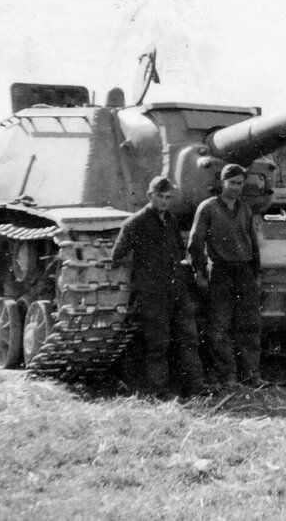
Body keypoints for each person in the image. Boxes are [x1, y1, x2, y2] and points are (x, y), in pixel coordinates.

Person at [111, 176, 206, 397]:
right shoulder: (135, 222)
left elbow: (179, 250)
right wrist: (145, 269)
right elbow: (117, 256)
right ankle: (159, 390)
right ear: (149, 196)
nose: (164, 201)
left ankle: (196, 385)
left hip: (175, 288)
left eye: (168, 197)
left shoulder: (170, 220)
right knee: (158, 344)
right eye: (160, 197)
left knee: (189, 337)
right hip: (153, 291)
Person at [187, 164, 266, 388]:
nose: (235, 187)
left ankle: (251, 375)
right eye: (231, 182)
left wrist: (256, 272)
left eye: (240, 183)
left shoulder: (245, 209)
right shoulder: (209, 207)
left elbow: (252, 243)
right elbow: (195, 242)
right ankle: (229, 376)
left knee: (249, 326)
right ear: (222, 182)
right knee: (220, 328)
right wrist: (199, 272)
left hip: (243, 271)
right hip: (220, 271)